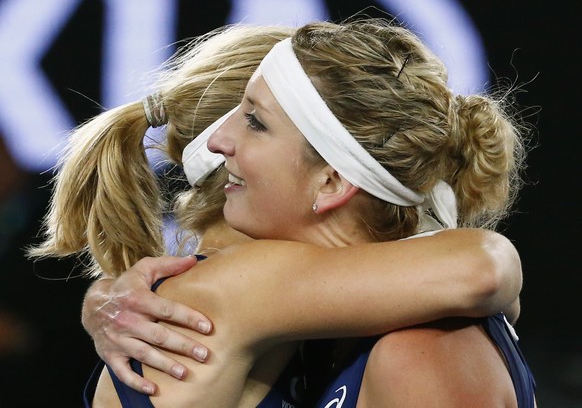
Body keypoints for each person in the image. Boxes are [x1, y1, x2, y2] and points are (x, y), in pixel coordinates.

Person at [29, 21, 532, 407]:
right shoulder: (236, 294)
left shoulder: (425, 348)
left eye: (255, 122)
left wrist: (105, 297)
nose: (227, 141)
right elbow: (484, 265)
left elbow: (482, 267)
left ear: (333, 180)